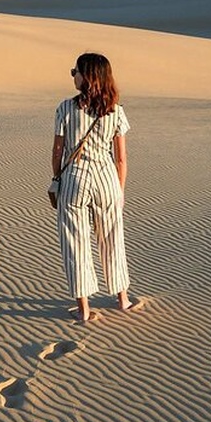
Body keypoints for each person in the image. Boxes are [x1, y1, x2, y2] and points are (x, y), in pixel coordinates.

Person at [51, 52, 133, 322]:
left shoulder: (65, 108)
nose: (72, 75)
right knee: (112, 238)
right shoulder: (116, 111)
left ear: (88, 76)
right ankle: (122, 299)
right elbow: (120, 157)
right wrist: (119, 191)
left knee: (75, 242)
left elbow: (57, 152)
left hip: (75, 177)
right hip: (107, 178)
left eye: (76, 70)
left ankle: (84, 308)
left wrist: (57, 178)